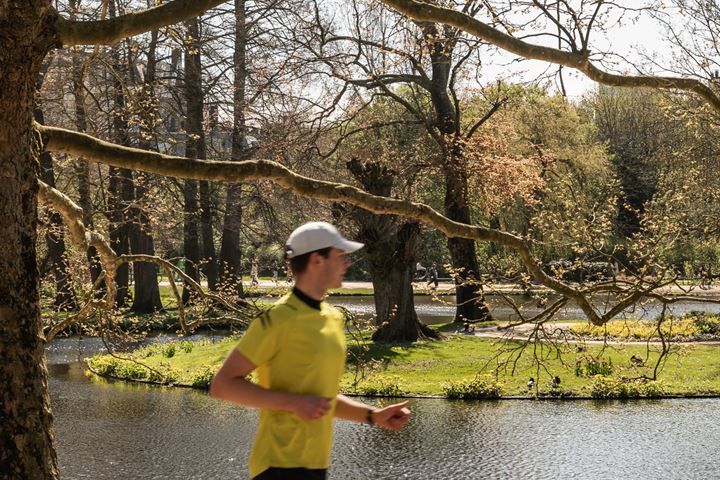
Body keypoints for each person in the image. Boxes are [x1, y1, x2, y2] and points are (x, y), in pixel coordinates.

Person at [210, 221, 411, 480]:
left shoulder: (333, 318)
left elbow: (321, 400)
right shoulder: (278, 319)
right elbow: (223, 385)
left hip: (315, 467)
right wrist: (294, 403)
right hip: (277, 467)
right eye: (339, 256)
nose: (346, 264)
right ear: (317, 260)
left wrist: (373, 417)